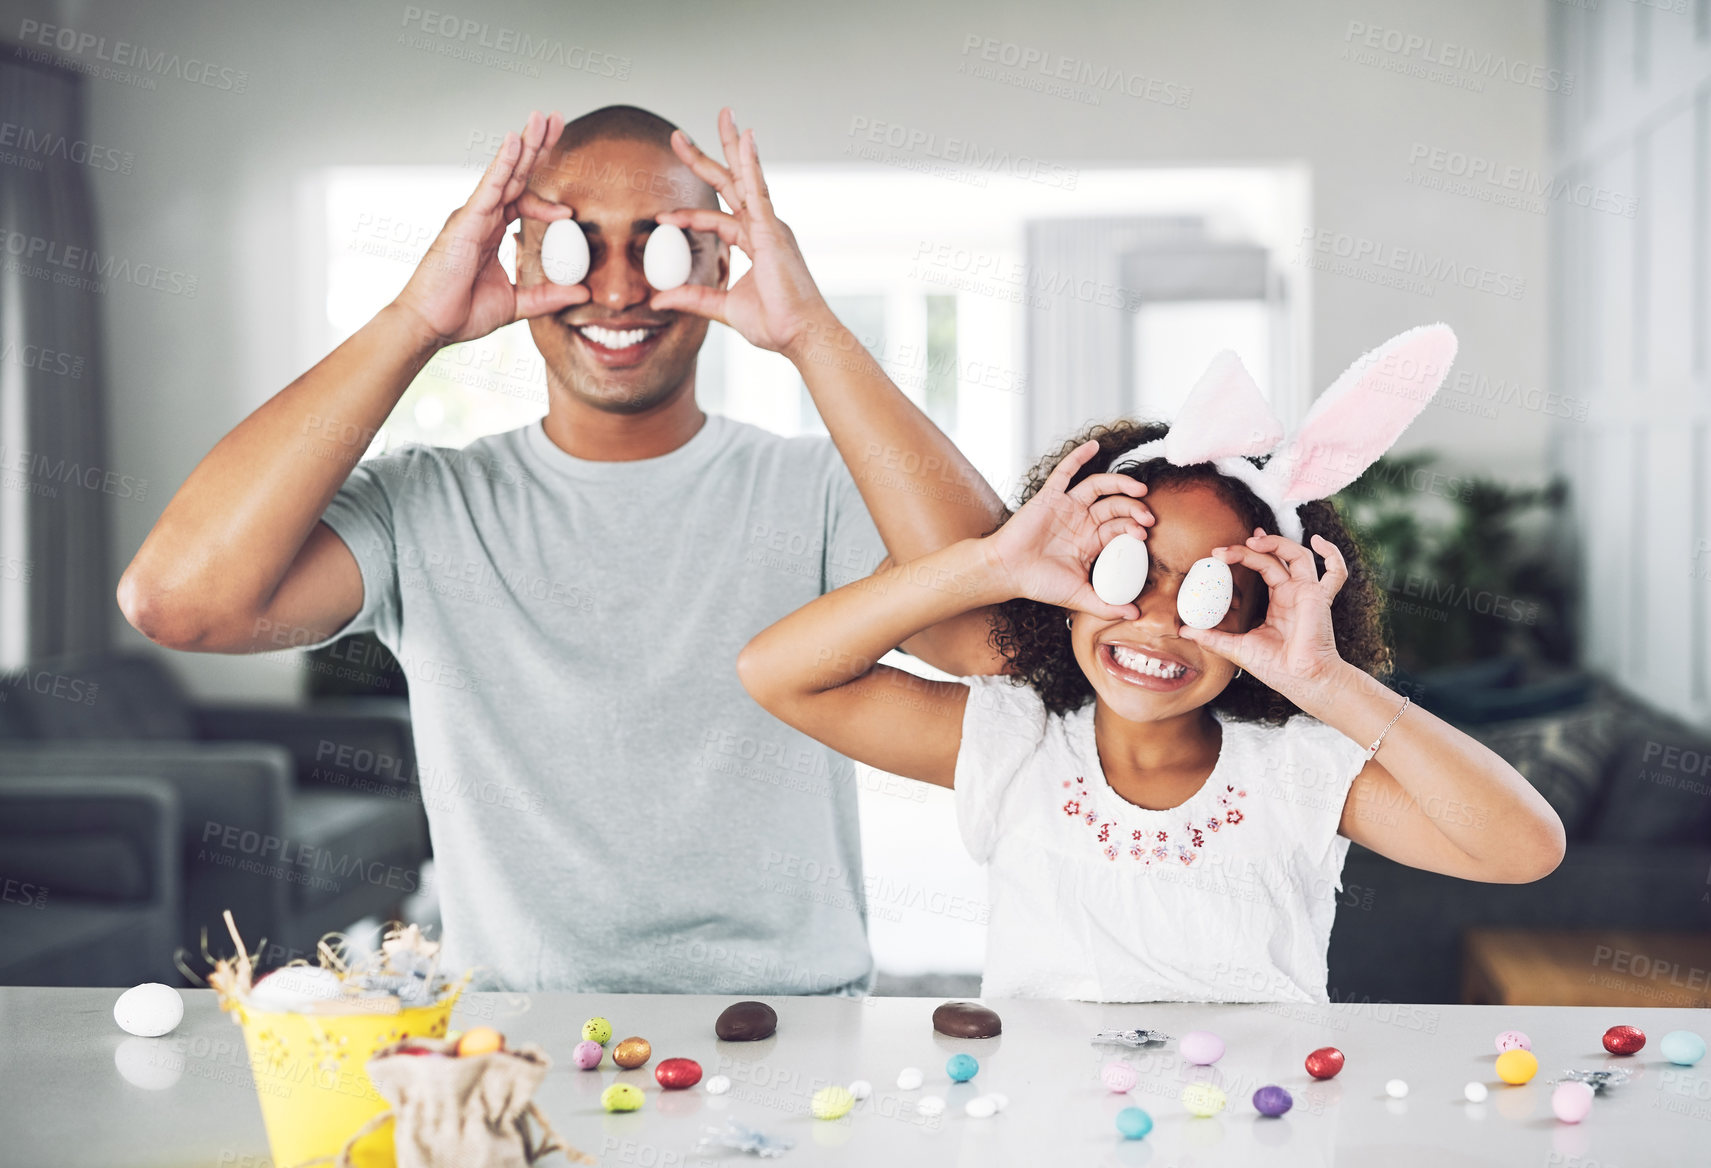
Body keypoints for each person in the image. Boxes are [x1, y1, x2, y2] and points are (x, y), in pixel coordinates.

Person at [116, 106, 1007, 993]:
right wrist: (411, 321)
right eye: (576, 246)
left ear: (721, 263)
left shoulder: (817, 492)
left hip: (790, 1021)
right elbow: (179, 602)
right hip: (515, 1045)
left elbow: (994, 640)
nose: (617, 293)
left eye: (660, 245)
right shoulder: (426, 503)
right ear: (517, 259)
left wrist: (814, 333)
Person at [737, 333, 1566, 1002]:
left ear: (1262, 618)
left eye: (1211, 593)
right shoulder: (1010, 742)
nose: (1160, 621)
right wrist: (993, 565)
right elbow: (778, 673)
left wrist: (1325, 682)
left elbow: (1521, 849)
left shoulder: (1297, 775)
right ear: (1073, 579)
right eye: (1130, 571)